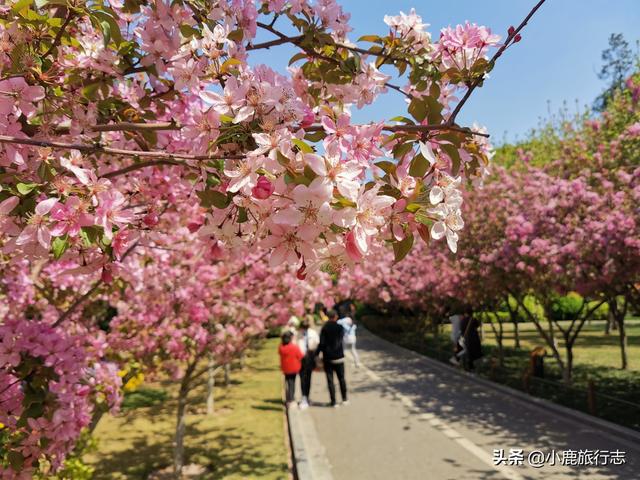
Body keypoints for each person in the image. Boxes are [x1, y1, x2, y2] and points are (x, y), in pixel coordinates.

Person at [317, 309, 348, 407]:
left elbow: (321, 343)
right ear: (335, 316)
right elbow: (342, 339)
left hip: (328, 358)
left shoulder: (324, 328)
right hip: (339, 357)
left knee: (330, 380)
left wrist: (316, 354)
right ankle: (344, 399)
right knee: (341, 378)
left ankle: (333, 401)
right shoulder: (340, 327)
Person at [296, 320, 320, 409]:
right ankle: (304, 397)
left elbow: (317, 342)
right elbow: (296, 344)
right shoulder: (298, 334)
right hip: (300, 358)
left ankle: (307, 396)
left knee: (308, 377)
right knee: (302, 378)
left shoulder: (313, 333)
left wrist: (312, 349)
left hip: (310, 356)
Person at [278, 331, 303, 405]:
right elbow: (300, 356)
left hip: (285, 368)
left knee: (288, 382)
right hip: (294, 368)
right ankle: (291, 398)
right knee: (292, 383)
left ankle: (289, 396)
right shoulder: (294, 347)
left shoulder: (281, 347)